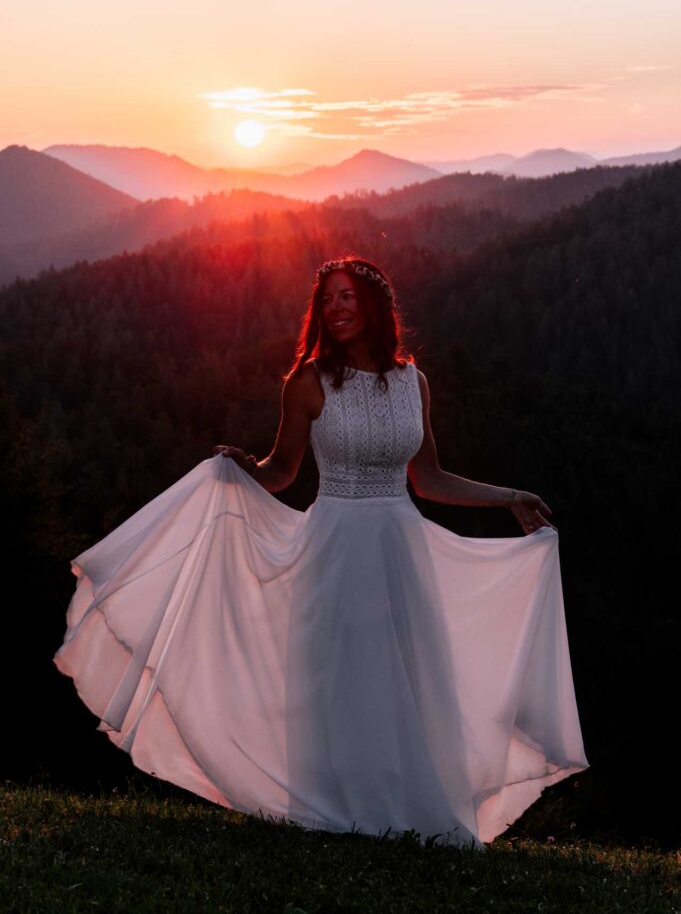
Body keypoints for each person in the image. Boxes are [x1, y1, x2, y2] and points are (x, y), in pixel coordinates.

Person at [53, 254, 588, 849]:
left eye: (347, 297)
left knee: (405, 683)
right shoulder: (307, 381)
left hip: (401, 549)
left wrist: (508, 497)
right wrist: (240, 471)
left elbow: (428, 479)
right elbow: (282, 471)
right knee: (339, 682)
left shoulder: (415, 382)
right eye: (327, 299)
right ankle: (330, 811)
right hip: (334, 548)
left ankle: (405, 814)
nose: (335, 309)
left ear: (375, 305)